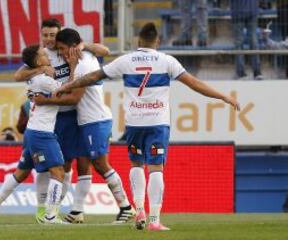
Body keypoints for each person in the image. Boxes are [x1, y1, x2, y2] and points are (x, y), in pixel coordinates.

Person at [54, 23, 240, 231]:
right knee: (155, 168)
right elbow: (194, 83)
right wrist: (223, 96)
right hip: (157, 123)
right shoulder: (167, 61)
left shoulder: (126, 60)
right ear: (157, 41)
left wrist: (67, 85)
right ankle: (154, 220)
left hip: (134, 124)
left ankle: (139, 209)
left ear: (138, 41)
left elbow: (93, 76)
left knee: (136, 165)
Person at [13, 19, 110, 223]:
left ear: (58, 36)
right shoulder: (41, 55)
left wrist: (85, 45)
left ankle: (75, 210)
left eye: (51, 35)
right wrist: (38, 70)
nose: (48, 39)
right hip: (52, 117)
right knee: (49, 166)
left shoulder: (69, 50)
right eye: (44, 35)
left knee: (77, 164)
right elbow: (18, 75)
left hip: (74, 114)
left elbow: (104, 50)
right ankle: (44, 211)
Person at [35, 28, 135, 224]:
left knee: (100, 163)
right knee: (84, 164)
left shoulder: (82, 65)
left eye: (63, 49)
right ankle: (77, 212)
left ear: (73, 47)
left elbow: (73, 96)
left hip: (95, 120)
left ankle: (126, 207)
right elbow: (101, 51)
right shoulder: (85, 56)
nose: (62, 53)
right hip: (88, 120)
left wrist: (45, 100)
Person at [0, 44, 67, 224]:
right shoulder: (43, 80)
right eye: (44, 55)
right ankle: (51, 216)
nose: (48, 57)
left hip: (32, 132)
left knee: (20, 173)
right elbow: (68, 89)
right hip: (42, 133)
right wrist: (74, 68)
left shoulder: (34, 78)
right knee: (59, 171)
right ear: (38, 61)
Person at [230, 0, 263, 80]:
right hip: (251, 10)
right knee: (253, 41)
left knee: (240, 43)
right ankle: (257, 72)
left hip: (238, 12)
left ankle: (241, 73)